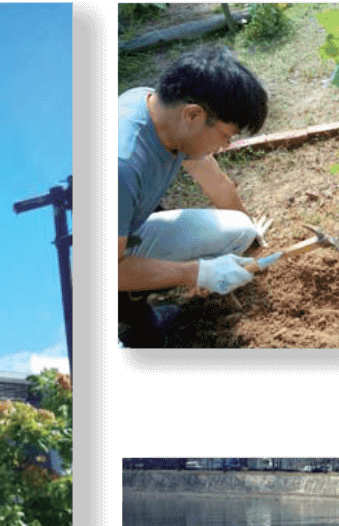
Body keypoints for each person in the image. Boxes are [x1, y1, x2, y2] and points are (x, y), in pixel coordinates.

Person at [118, 45, 275, 347]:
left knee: (239, 228)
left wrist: (252, 233)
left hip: (125, 232)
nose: (227, 146)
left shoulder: (164, 112)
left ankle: (132, 302)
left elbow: (215, 180)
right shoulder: (123, 162)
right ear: (193, 115)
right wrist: (198, 273)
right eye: (226, 137)